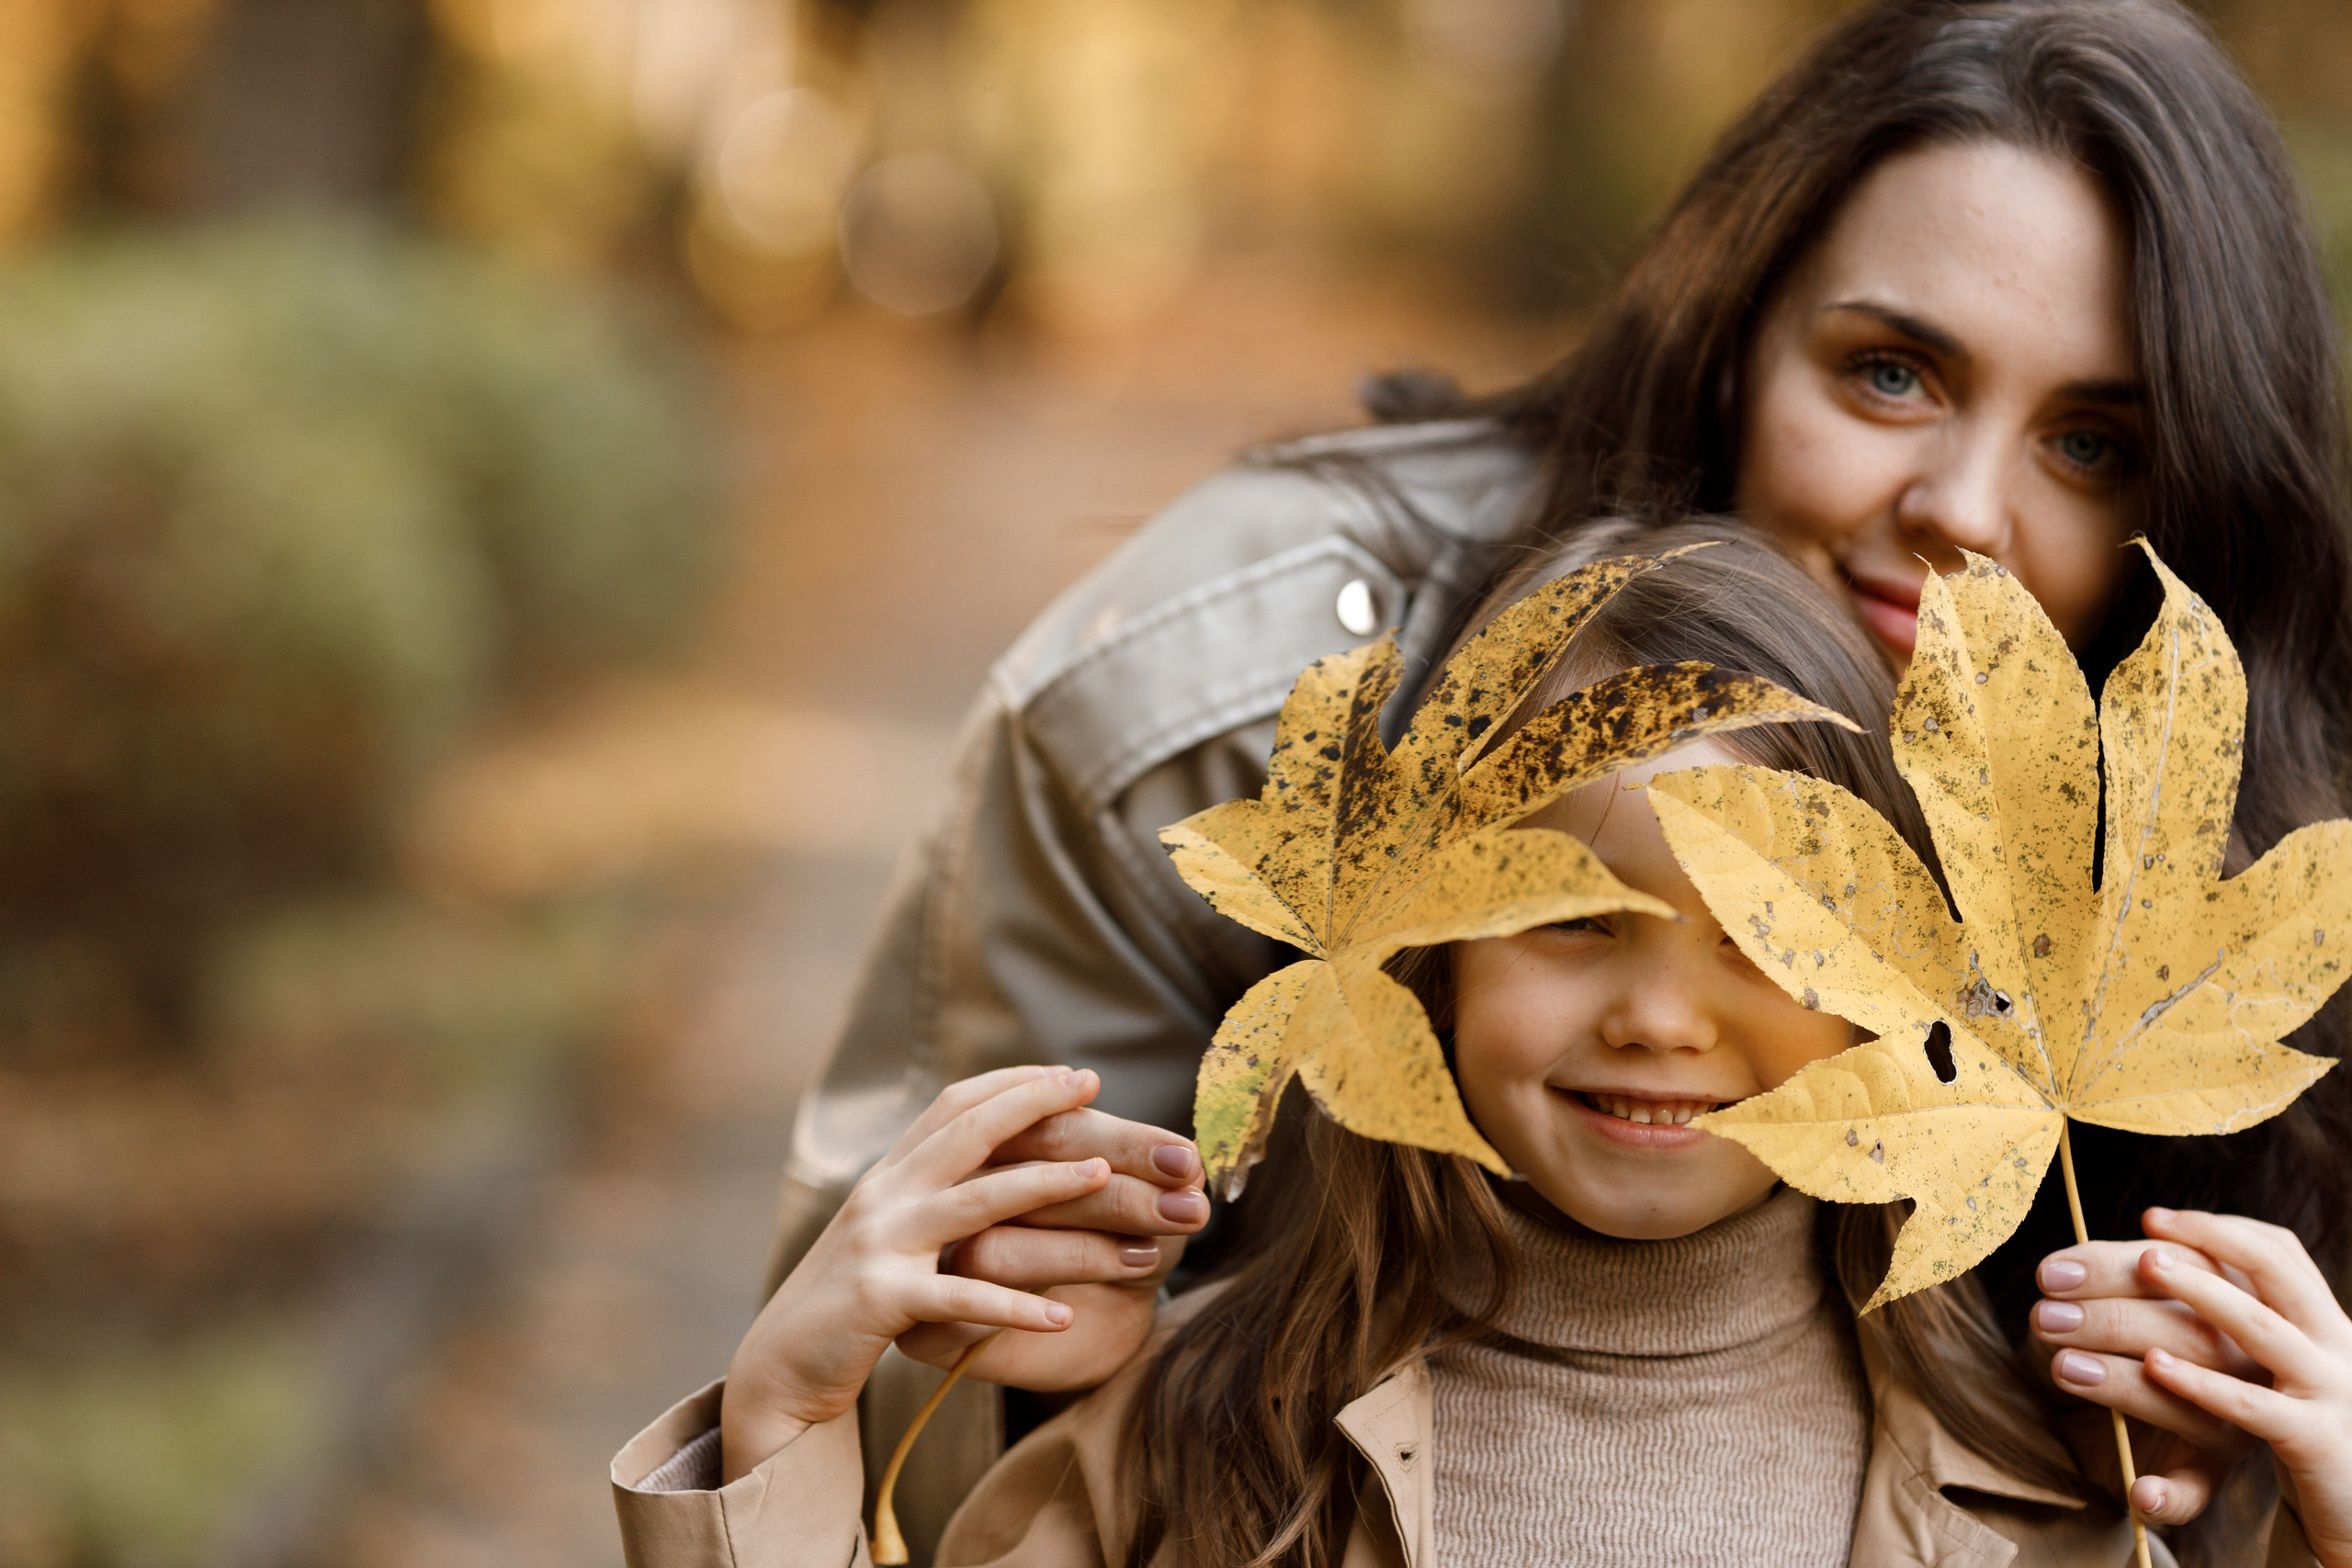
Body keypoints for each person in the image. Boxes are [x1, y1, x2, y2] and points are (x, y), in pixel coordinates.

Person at [759, 0, 2352, 1544]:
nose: (1962, 508)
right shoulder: (1215, 714)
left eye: (2092, 444)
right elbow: (895, 1383)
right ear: (1730, 346)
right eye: (1890, 372)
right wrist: (1022, 1391)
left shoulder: (2210, 830)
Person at [614, 534, 2352, 1564]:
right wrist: (786, 1424)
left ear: (1903, 984)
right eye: (1571, 914)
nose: (1659, 1013)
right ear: (1423, 954)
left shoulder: (2053, 1493)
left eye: (1765, 937)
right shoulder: (1197, 1443)